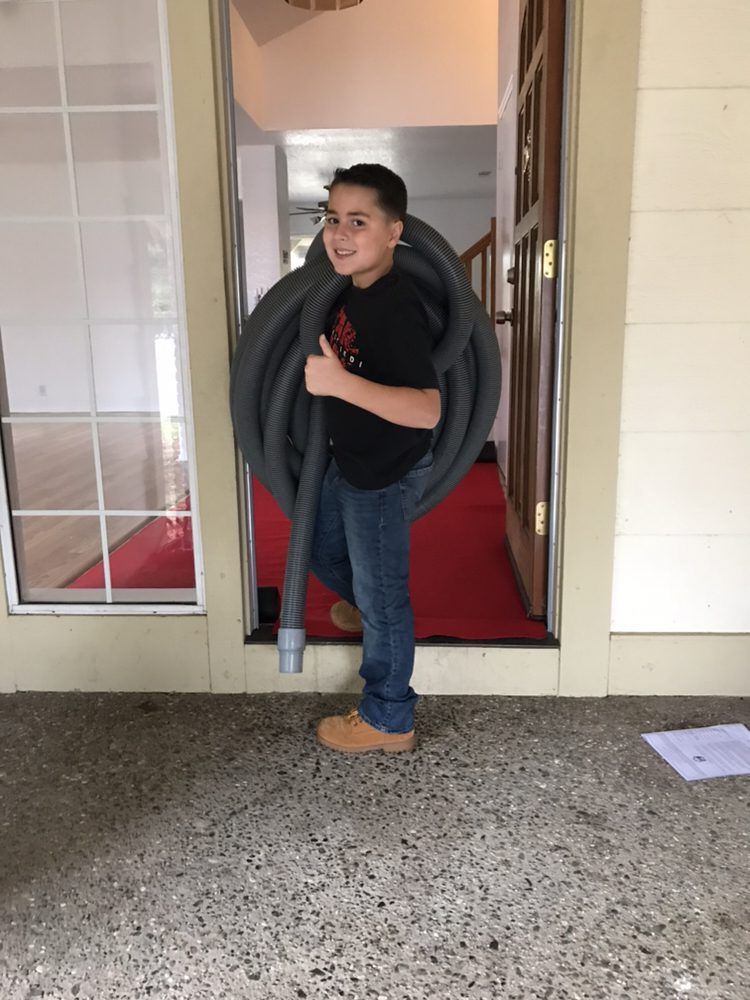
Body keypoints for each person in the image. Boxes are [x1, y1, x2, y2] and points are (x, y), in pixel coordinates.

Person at [304, 163, 440, 754]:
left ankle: (389, 718)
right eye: (334, 218)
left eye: (358, 221)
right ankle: (370, 607)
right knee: (319, 548)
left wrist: (337, 386)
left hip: (383, 473)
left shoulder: (394, 307)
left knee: (385, 595)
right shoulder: (354, 292)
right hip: (353, 460)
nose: (340, 233)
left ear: (393, 232)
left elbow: (427, 410)